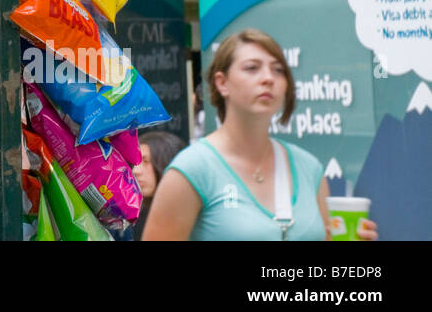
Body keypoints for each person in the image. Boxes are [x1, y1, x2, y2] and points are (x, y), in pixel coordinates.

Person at [142, 28, 378, 241]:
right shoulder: (192, 169)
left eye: (278, 70)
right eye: (252, 68)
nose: (268, 78)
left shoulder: (309, 168)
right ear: (222, 83)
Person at [131, 130, 184, 240]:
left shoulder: (187, 215)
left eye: (145, 161)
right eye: (136, 163)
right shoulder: (138, 215)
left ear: (166, 163)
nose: (136, 171)